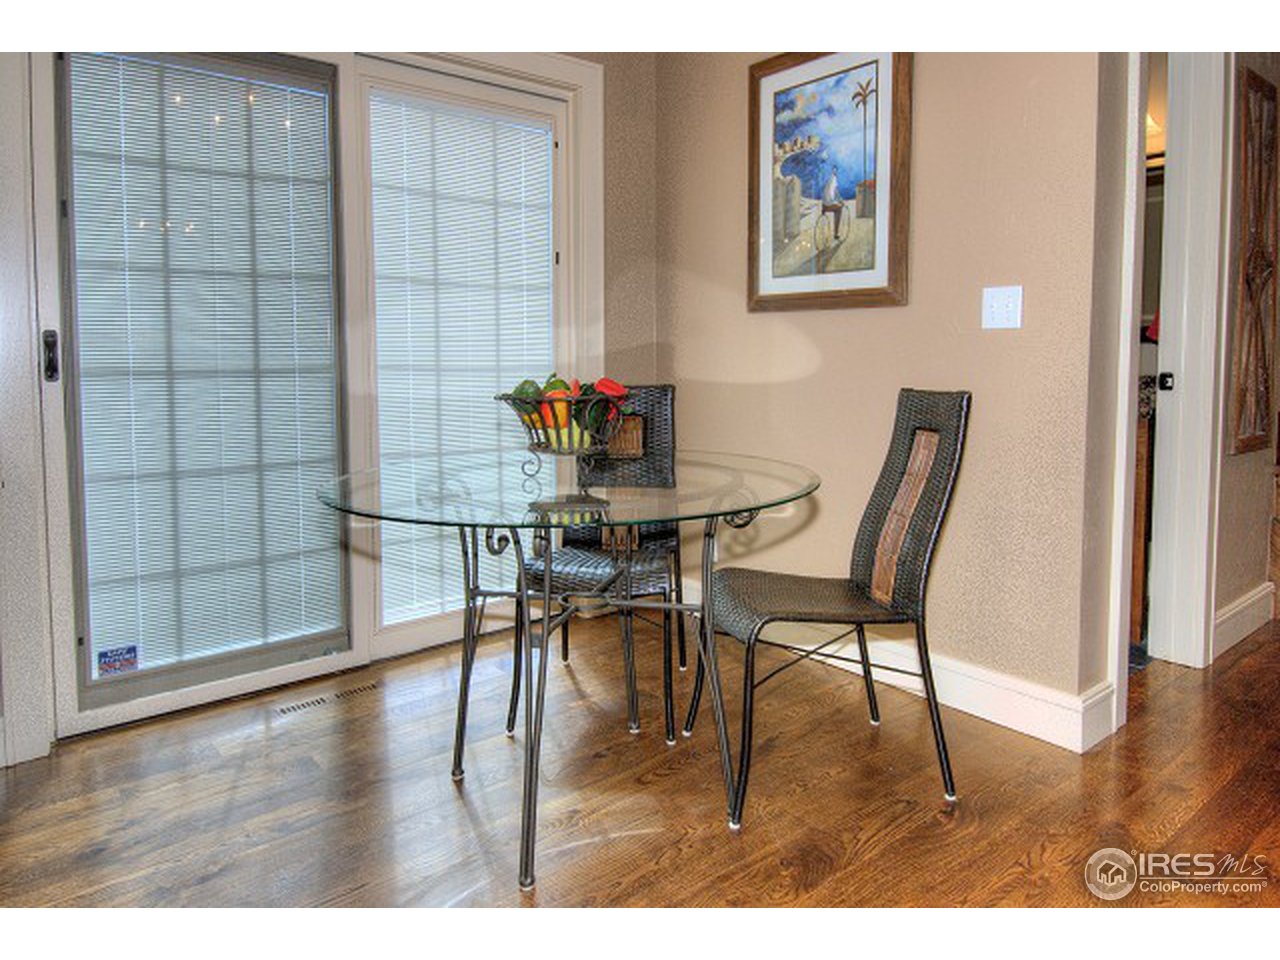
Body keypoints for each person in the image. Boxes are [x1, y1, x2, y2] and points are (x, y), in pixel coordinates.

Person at [821, 166, 843, 238]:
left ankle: (824, 211)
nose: (835, 172)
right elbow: (836, 192)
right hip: (829, 204)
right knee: (839, 209)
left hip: (824, 205)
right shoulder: (834, 179)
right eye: (835, 171)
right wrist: (841, 200)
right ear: (834, 172)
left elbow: (827, 192)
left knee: (836, 204)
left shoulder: (828, 179)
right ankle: (836, 233)